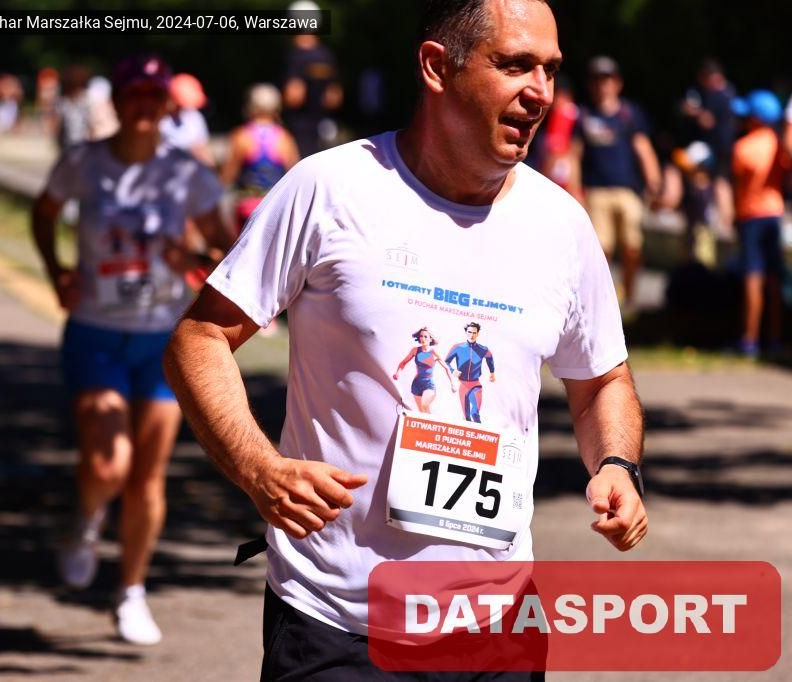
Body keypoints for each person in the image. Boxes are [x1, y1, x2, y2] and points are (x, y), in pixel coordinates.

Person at [164, 0, 647, 678]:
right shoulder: (331, 189)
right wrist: (259, 470)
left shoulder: (561, 225)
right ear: (437, 67)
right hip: (339, 620)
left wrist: (617, 465)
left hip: (499, 626)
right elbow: (201, 335)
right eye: (515, 65)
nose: (540, 91)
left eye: (550, 69)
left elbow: (601, 381)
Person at [31, 54, 232, 646]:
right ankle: (88, 518)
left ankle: (131, 591)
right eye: (133, 93)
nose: (144, 105)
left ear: (168, 104)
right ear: (116, 101)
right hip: (96, 332)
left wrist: (191, 259)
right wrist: (57, 271)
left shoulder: (186, 174)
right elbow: (43, 212)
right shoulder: (84, 163)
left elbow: (229, 255)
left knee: (147, 474)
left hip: (161, 340)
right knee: (107, 464)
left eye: (154, 95)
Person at [570, 56, 661, 309]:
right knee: (602, 250)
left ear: (617, 83)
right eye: (597, 79)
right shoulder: (584, 116)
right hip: (596, 191)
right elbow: (574, 155)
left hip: (627, 190)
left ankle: (630, 298)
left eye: (607, 79)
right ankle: (603, 304)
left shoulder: (629, 114)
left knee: (633, 247)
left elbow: (643, 148)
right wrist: (575, 190)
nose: (602, 85)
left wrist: (654, 181)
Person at [730, 90, 789, 358]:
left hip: (751, 216)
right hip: (774, 214)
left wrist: (734, 214)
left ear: (755, 118)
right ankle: (775, 338)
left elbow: (738, 186)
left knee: (752, 277)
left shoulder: (743, 147)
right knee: (774, 278)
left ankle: (750, 339)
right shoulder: (779, 145)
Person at [218, 83, 300, 229]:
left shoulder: (241, 136)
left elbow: (227, 177)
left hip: (247, 210)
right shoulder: (285, 139)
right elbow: (296, 177)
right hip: (275, 208)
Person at [680, 59, 737, 230]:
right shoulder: (730, 91)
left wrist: (693, 112)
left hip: (717, 146)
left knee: (715, 182)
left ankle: (717, 221)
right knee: (722, 182)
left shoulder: (715, 95)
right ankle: (725, 221)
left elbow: (707, 121)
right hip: (729, 145)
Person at [282, 0, 343, 157]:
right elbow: (334, 98)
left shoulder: (295, 56)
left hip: (299, 130)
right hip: (324, 128)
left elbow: (294, 96)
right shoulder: (326, 55)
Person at [393, 326, 454, 413]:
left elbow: (446, 368)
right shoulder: (415, 350)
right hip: (416, 384)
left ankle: (431, 420)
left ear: (430, 339)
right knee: (422, 412)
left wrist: (453, 384)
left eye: (425, 336)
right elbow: (403, 362)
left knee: (424, 404)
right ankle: (428, 420)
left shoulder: (434, 352)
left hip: (428, 384)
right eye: (421, 336)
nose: (423, 339)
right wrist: (397, 373)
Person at [159, 73, 214, 167]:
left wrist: (211, 172)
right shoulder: (159, 120)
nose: (181, 108)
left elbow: (202, 149)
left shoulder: (194, 117)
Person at [445, 322, 496, 423]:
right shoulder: (457, 347)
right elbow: (446, 361)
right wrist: (452, 370)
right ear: (466, 332)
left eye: (474, 333)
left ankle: (479, 431)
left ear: (477, 334)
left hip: (475, 385)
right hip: (463, 386)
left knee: (475, 414)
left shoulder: (483, 349)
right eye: (469, 332)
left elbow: (490, 358)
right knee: (467, 419)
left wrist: (492, 373)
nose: (471, 335)